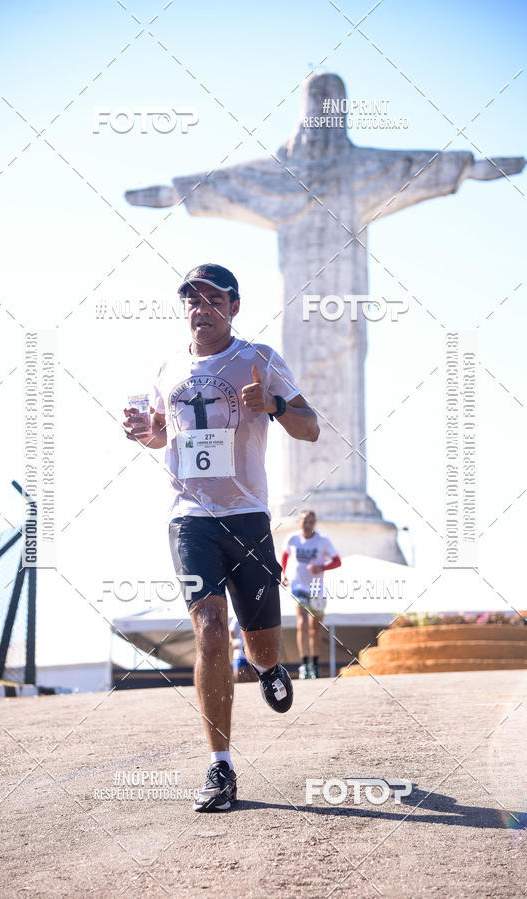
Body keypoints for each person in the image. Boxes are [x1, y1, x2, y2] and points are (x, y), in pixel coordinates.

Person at [123, 263, 319, 812]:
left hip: (247, 516)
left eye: (212, 299)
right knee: (209, 628)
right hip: (189, 518)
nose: (200, 308)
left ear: (234, 307)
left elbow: (310, 427)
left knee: (261, 645)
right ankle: (221, 767)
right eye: (191, 299)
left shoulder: (260, 358)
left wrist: (274, 406)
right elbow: (161, 431)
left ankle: (268, 668)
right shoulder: (167, 367)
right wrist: (145, 432)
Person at [281, 510, 341, 679]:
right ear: (299, 522)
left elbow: (337, 561)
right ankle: (304, 664)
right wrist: (284, 574)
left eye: (311, 522)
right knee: (302, 623)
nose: (307, 525)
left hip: (316, 589)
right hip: (298, 586)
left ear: (314, 523)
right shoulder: (292, 539)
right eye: (304, 521)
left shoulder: (323, 541)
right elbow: (285, 556)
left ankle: (314, 663)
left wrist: (321, 567)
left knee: (315, 628)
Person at [230, 615, 256, 684]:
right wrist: (233, 642)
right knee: (239, 681)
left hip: (252, 655)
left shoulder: (254, 616)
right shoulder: (236, 619)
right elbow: (231, 633)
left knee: (255, 681)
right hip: (239, 655)